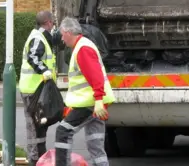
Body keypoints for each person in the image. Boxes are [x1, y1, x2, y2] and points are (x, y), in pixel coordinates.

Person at [55, 17, 116, 166]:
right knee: (95, 144)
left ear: (68, 33)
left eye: (63, 35)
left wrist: (98, 100)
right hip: (95, 104)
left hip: (90, 103)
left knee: (63, 132)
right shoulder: (84, 46)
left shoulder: (82, 49)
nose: (62, 39)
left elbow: (95, 77)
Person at [19, 10, 61, 166]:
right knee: (35, 126)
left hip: (35, 89)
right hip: (33, 90)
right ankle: (35, 159)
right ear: (48, 22)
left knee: (39, 125)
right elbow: (33, 57)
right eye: (53, 23)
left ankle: (39, 157)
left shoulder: (41, 36)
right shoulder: (38, 38)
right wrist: (45, 71)